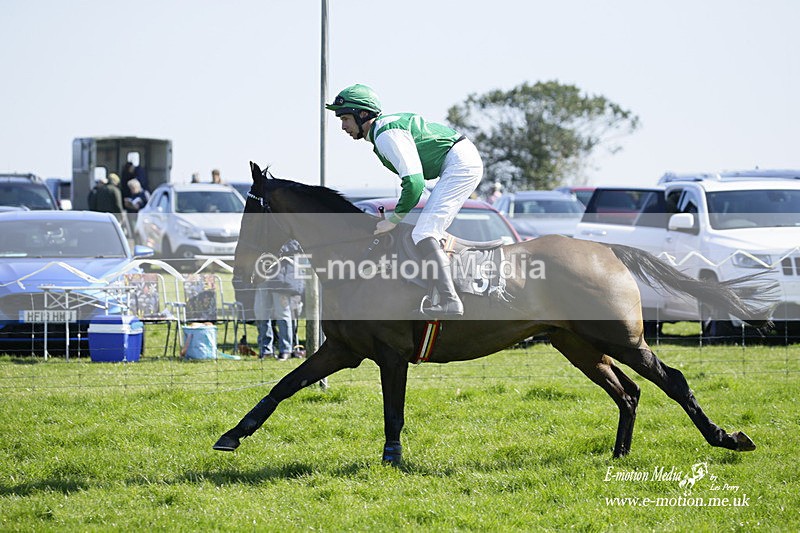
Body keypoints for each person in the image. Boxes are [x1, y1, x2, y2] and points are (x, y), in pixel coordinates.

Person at [326, 84, 484, 317]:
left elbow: (415, 184)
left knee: (424, 233)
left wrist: (393, 220)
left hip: (460, 163)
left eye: (346, 119)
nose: (343, 126)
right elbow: (413, 186)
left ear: (363, 115)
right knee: (421, 231)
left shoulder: (386, 135)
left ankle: (451, 300)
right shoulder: (382, 133)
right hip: (456, 161)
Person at [254, 240, 305, 360]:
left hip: (281, 277)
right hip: (262, 275)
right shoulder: (262, 228)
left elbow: (295, 247)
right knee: (261, 312)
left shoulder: (288, 227)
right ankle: (265, 350)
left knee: (282, 314)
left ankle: (286, 350)